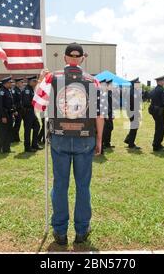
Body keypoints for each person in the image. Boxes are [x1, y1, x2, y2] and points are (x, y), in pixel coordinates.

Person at [32, 42, 104, 245]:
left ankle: (60, 231)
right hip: (85, 138)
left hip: (60, 138)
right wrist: (99, 139)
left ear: (65, 58)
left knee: (60, 185)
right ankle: (82, 230)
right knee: (83, 186)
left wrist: (39, 81)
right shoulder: (93, 81)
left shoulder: (51, 78)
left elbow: (38, 104)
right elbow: (100, 114)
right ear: (82, 58)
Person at [0, 77, 15, 154]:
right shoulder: (1, 92)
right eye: (10, 83)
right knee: (2, 133)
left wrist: (13, 112)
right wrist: (3, 116)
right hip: (4, 115)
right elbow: (0, 106)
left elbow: (10, 104)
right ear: (5, 83)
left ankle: (6, 149)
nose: (11, 84)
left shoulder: (7, 91)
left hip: (9, 114)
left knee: (8, 132)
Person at [149, 76, 164, 152]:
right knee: (160, 128)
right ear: (159, 82)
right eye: (163, 81)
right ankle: (156, 145)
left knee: (159, 127)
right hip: (159, 111)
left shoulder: (153, 90)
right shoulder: (163, 90)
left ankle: (157, 144)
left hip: (154, 110)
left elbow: (149, 96)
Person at [21, 76, 42, 152]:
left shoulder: (31, 89)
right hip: (27, 112)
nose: (35, 82)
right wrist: (36, 103)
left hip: (31, 112)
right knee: (28, 130)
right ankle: (27, 147)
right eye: (34, 81)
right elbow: (27, 102)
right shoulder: (27, 90)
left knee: (37, 126)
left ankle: (34, 144)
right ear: (30, 81)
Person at [124, 78, 142, 150]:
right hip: (132, 112)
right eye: (138, 83)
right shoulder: (133, 92)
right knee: (134, 127)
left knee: (134, 127)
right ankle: (131, 144)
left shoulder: (133, 91)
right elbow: (133, 104)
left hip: (132, 111)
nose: (139, 84)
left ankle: (128, 140)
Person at [102, 79, 115, 150]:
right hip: (106, 113)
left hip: (109, 113)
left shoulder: (110, 92)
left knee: (110, 128)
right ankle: (103, 143)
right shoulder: (105, 92)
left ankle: (107, 143)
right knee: (105, 129)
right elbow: (105, 105)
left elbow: (111, 104)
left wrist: (112, 113)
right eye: (111, 85)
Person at [12, 78, 24, 143]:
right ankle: (14, 138)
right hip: (17, 110)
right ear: (17, 83)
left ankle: (16, 138)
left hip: (20, 110)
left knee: (18, 124)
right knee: (17, 124)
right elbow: (13, 102)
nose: (22, 83)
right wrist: (14, 110)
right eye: (21, 82)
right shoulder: (14, 90)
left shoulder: (19, 90)